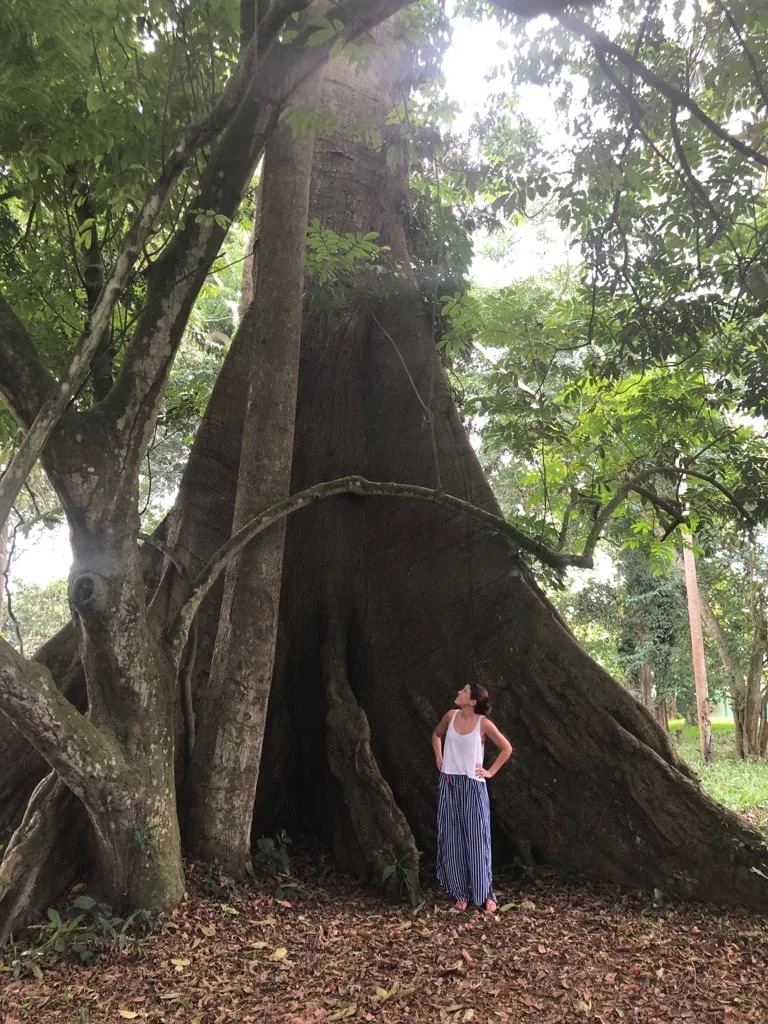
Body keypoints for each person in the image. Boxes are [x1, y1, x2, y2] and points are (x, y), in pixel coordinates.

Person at [431, 683, 513, 913]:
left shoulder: (483, 724)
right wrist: (439, 756)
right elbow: (436, 735)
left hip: (473, 786)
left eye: (464, 691)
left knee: (478, 840)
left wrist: (490, 771)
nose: (459, 692)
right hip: (449, 783)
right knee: (452, 839)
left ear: (473, 701)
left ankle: (484, 893)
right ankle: (460, 893)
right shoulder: (450, 716)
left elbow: (506, 748)